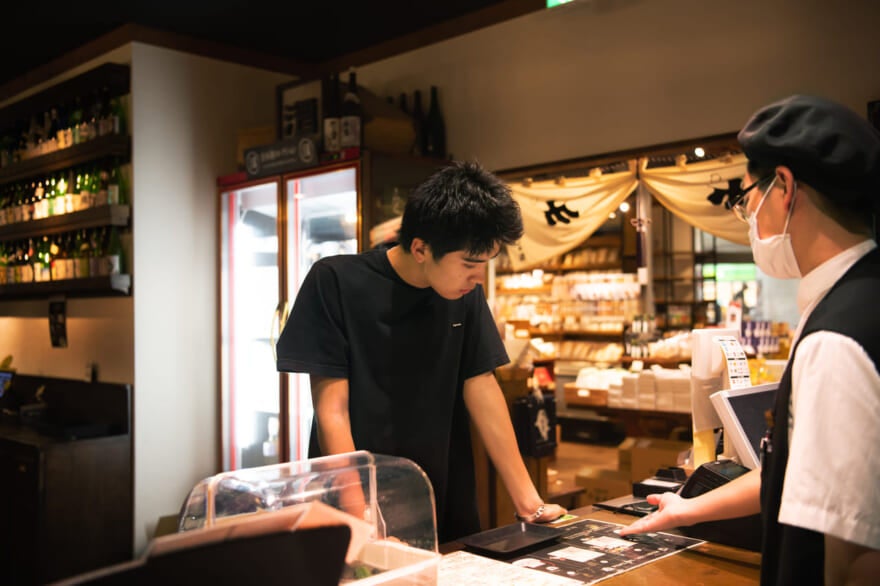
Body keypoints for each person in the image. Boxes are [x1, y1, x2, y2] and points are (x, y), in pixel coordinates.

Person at [620, 94, 880, 585]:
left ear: (784, 186)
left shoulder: (837, 340)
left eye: (746, 201)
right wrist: (685, 510)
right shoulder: (858, 295)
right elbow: (793, 468)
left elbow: (856, 554)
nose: (750, 221)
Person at [276, 161, 565, 542]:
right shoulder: (334, 282)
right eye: (470, 264)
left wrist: (529, 501)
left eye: (486, 263)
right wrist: (362, 516)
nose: (479, 278)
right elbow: (332, 411)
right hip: (355, 500)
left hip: (441, 491)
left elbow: (481, 387)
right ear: (420, 248)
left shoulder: (464, 293)